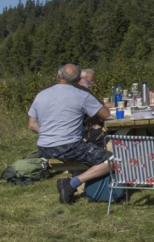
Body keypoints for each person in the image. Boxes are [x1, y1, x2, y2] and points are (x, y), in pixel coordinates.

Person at [29, 63, 112, 204]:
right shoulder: (81, 94)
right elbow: (106, 114)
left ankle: (78, 183)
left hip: (44, 148)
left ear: (57, 76)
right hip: (69, 146)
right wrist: (88, 93)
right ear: (78, 80)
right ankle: (71, 184)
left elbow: (32, 124)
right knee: (113, 160)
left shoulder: (41, 95)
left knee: (90, 150)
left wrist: (51, 134)